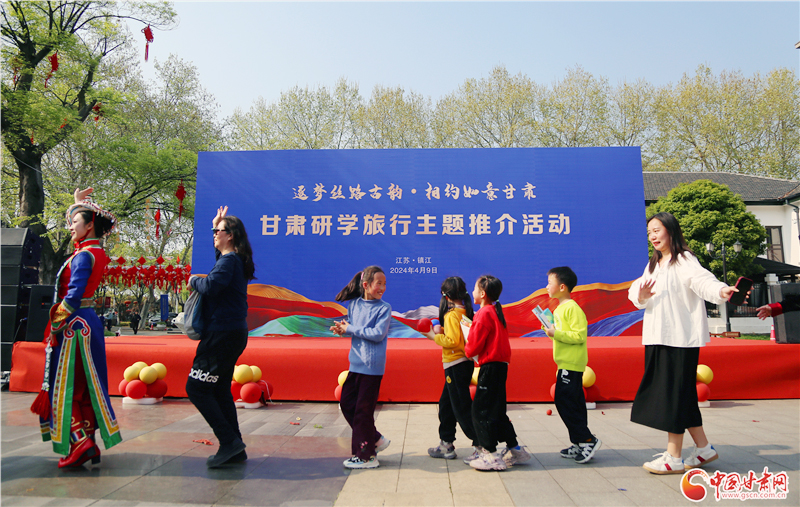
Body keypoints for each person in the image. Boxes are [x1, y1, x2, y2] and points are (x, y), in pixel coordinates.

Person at [628, 212, 740, 475]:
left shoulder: (685, 259)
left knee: (672, 396)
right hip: (657, 336)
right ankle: (704, 449)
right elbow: (637, 290)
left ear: (671, 231)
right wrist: (640, 295)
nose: (653, 236)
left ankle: (673, 457)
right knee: (684, 396)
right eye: (649, 232)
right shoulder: (654, 264)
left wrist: (721, 290)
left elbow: (703, 281)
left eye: (657, 230)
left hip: (679, 339)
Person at [30, 187, 122, 468]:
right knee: (83, 384)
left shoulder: (83, 256)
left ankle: (80, 442)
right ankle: (87, 440)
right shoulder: (95, 252)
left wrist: (56, 323)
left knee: (64, 383)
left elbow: (72, 296)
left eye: (74, 222)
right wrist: (77, 204)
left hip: (73, 325)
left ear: (89, 225)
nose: (70, 226)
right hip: (87, 321)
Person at [187, 206, 255, 468]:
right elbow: (220, 261)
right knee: (218, 389)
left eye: (219, 230)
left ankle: (229, 442)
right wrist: (214, 224)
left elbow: (212, 285)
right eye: (215, 230)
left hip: (222, 335)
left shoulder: (229, 262)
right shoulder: (232, 260)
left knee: (196, 388)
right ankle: (234, 446)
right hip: (230, 333)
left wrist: (193, 280)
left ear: (231, 235)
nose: (215, 233)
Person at [464, 275, 529, 471]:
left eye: (475, 289)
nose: (472, 292)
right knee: (497, 411)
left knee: (481, 411)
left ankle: (491, 455)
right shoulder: (494, 311)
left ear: (483, 293)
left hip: (490, 367)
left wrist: (468, 341)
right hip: (500, 366)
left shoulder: (483, 313)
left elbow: (473, 347)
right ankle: (515, 449)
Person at [330, 266, 392, 469]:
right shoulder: (354, 305)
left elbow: (377, 334)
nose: (382, 287)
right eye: (378, 283)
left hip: (372, 368)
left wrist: (351, 328)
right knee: (347, 404)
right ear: (366, 285)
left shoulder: (384, 308)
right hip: (355, 364)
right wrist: (343, 330)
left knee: (363, 412)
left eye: (384, 284)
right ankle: (375, 439)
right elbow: (355, 329)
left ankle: (367, 456)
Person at [543, 266, 601, 464]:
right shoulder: (559, 308)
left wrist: (556, 333)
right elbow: (561, 337)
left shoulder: (572, 308)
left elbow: (579, 336)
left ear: (562, 287)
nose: (546, 287)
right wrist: (550, 331)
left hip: (572, 364)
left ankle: (587, 440)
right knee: (571, 402)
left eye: (549, 283)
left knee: (565, 401)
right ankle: (579, 441)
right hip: (564, 363)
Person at [420, 276, 478, 461]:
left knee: (461, 407)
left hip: (455, 364)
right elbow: (459, 338)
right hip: (464, 363)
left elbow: (452, 341)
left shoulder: (452, 315)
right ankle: (446, 443)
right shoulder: (466, 312)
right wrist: (443, 332)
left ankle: (481, 444)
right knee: (446, 405)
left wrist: (433, 336)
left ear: (445, 296)